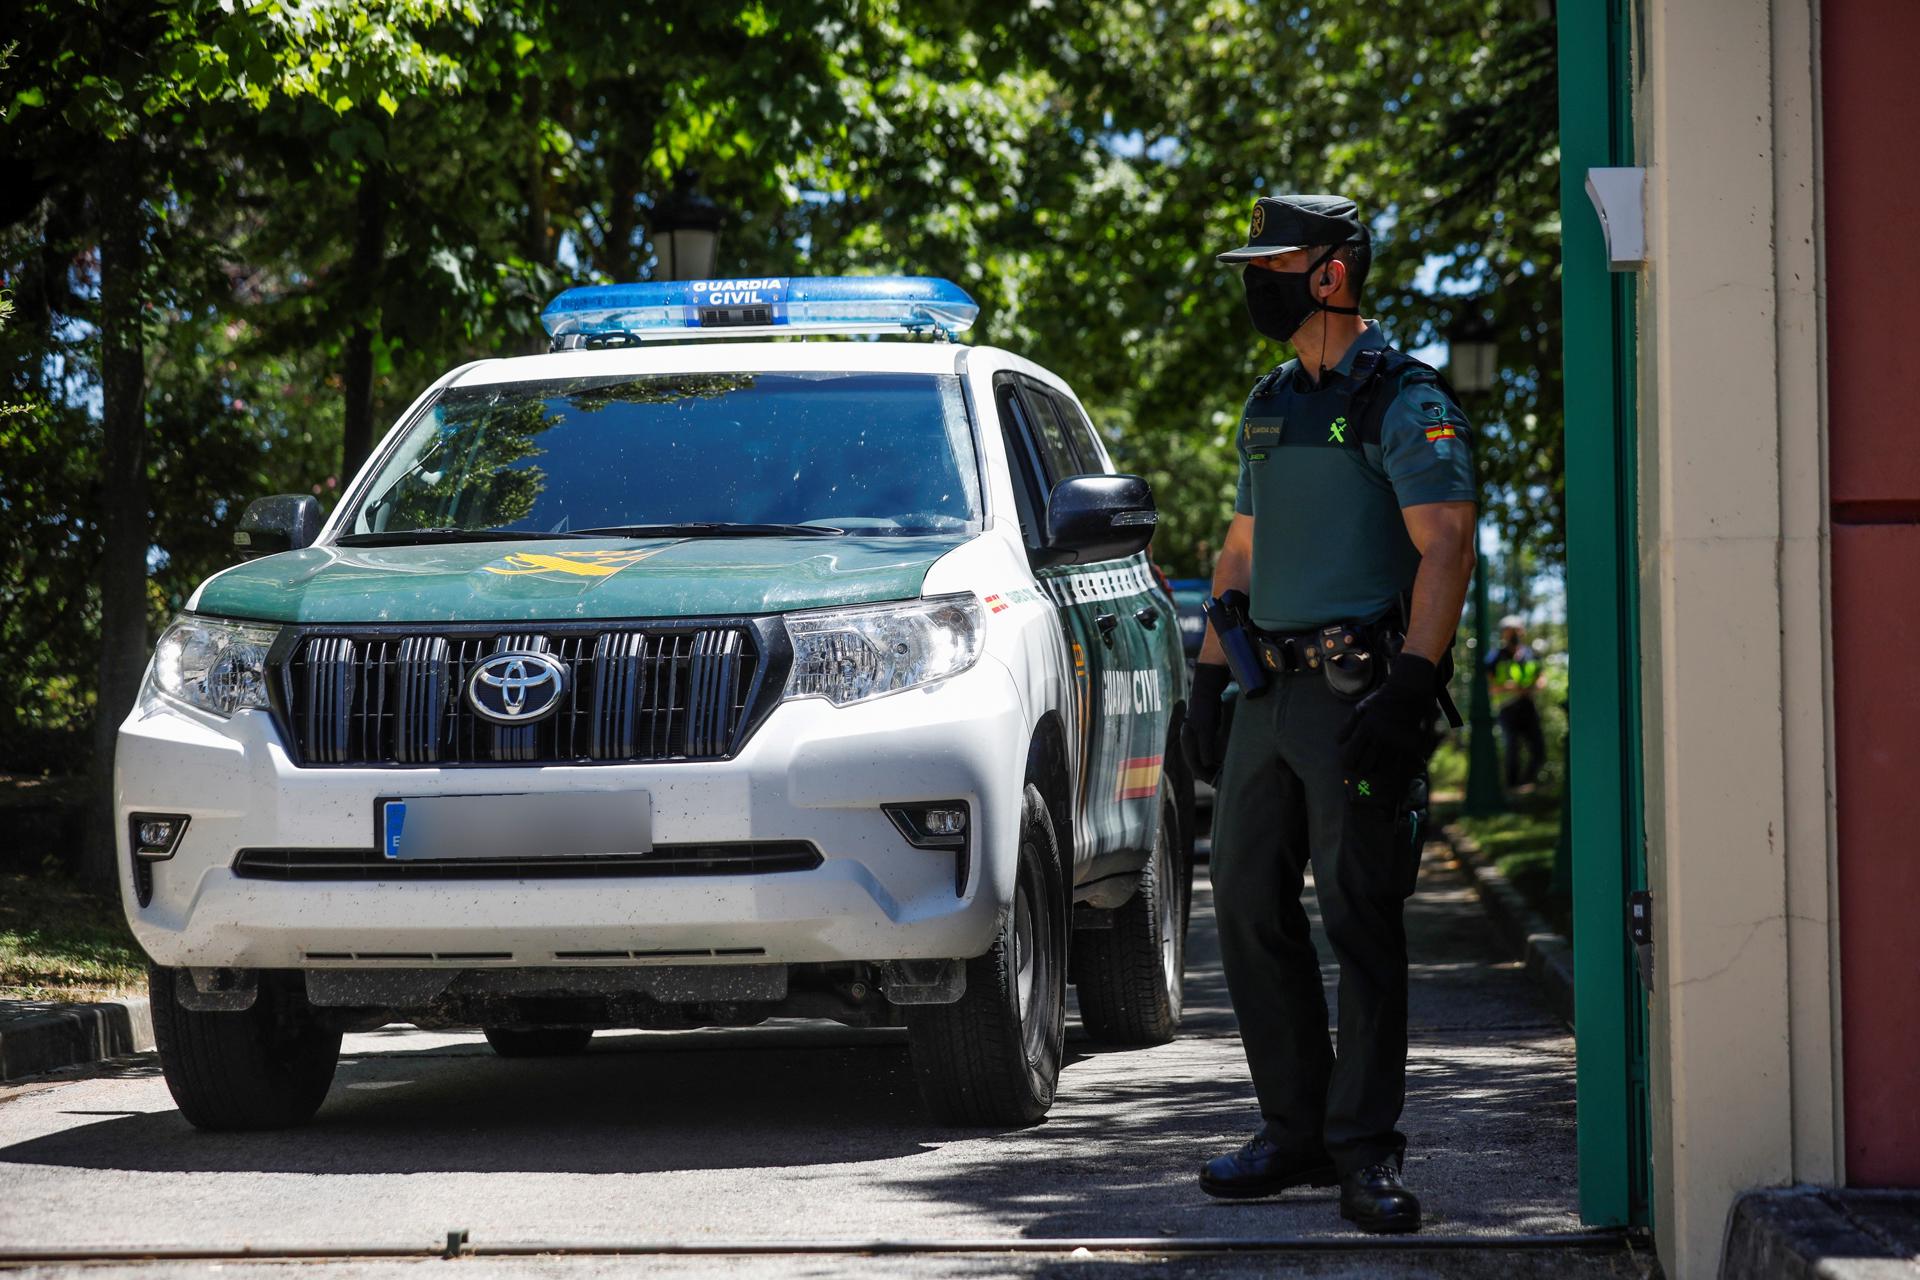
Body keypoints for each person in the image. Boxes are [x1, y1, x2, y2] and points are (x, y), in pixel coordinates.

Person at [1181, 194, 1477, 1234]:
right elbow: (1239, 552)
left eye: (1273, 261)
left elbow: (1445, 541)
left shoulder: (1404, 398)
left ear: (1332, 272)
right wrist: (1209, 683)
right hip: (1268, 691)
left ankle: (1365, 1148)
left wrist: (1410, 686)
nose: (1254, 279)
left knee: (1360, 919)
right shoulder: (1268, 400)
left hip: (1360, 696)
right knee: (1249, 913)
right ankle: (1294, 1128)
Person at [1487, 615, 1547, 790]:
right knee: (1512, 749)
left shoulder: (1531, 654)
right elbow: (1490, 686)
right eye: (1509, 631)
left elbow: (1542, 679)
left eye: (1516, 630)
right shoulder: (1495, 656)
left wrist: (1533, 687)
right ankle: (1512, 787)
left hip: (1528, 706)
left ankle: (1528, 783)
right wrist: (1511, 688)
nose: (1513, 634)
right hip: (1507, 708)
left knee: (1538, 748)